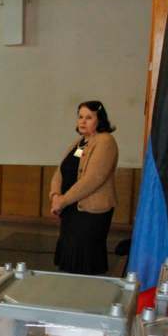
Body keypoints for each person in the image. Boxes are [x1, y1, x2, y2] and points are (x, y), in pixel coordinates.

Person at [49, 100, 118, 275]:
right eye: (80, 117)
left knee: (84, 262)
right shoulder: (79, 143)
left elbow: (93, 179)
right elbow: (60, 171)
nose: (82, 121)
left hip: (91, 212)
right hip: (71, 209)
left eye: (88, 117)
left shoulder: (105, 141)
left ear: (99, 120)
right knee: (70, 261)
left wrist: (63, 201)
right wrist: (55, 195)